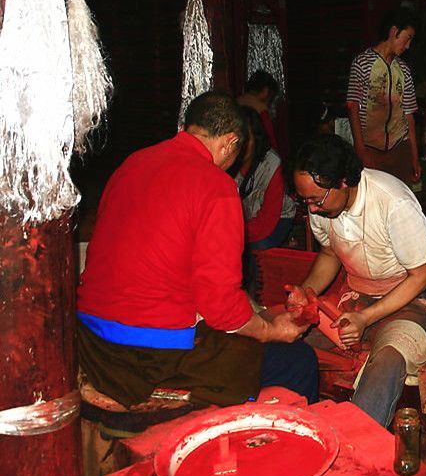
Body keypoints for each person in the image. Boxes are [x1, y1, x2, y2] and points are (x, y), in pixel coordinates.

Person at [77, 92, 318, 409]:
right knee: (298, 360)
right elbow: (222, 308)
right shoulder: (216, 186)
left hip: (91, 341)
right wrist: (272, 330)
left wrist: (254, 312)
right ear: (230, 143)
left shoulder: (133, 163)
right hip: (150, 353)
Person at [288, 134, 426, 427]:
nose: (313, 209)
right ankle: (290, 425)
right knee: (288, 337)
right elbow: (329, 254)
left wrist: (366, 318)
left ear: (344, 181)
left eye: (317, 200)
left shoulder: (392, 202)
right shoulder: (321, 205)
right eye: (306, 201)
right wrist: (306, 292)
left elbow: (421, 275)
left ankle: (357, 440)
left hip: (409, 302)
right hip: (356, 298)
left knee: (388, 362)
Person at [347, 8, 421, 184]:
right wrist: (361, 149)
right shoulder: (362, 63)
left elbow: (409, 115)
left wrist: (414, 157)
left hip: (400, 147)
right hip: (371, 148)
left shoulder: (403, 70)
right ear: (394, 31)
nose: (408, 46)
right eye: (407, 38)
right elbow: (352, 107)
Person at [235, 107, 297, 292]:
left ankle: (256, 294)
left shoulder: (271, 165)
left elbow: (267, 222)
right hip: (241, 224)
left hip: (276, 218)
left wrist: (236, 236)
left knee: (254, 248)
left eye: (246, 138)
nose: (239, 145)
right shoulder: (225, 160)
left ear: (256, 138)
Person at [237, 70, 280, 150]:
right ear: (265, 91)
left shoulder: (234, 103)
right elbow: (271, 143)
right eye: (271, 98)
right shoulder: (261, 110)